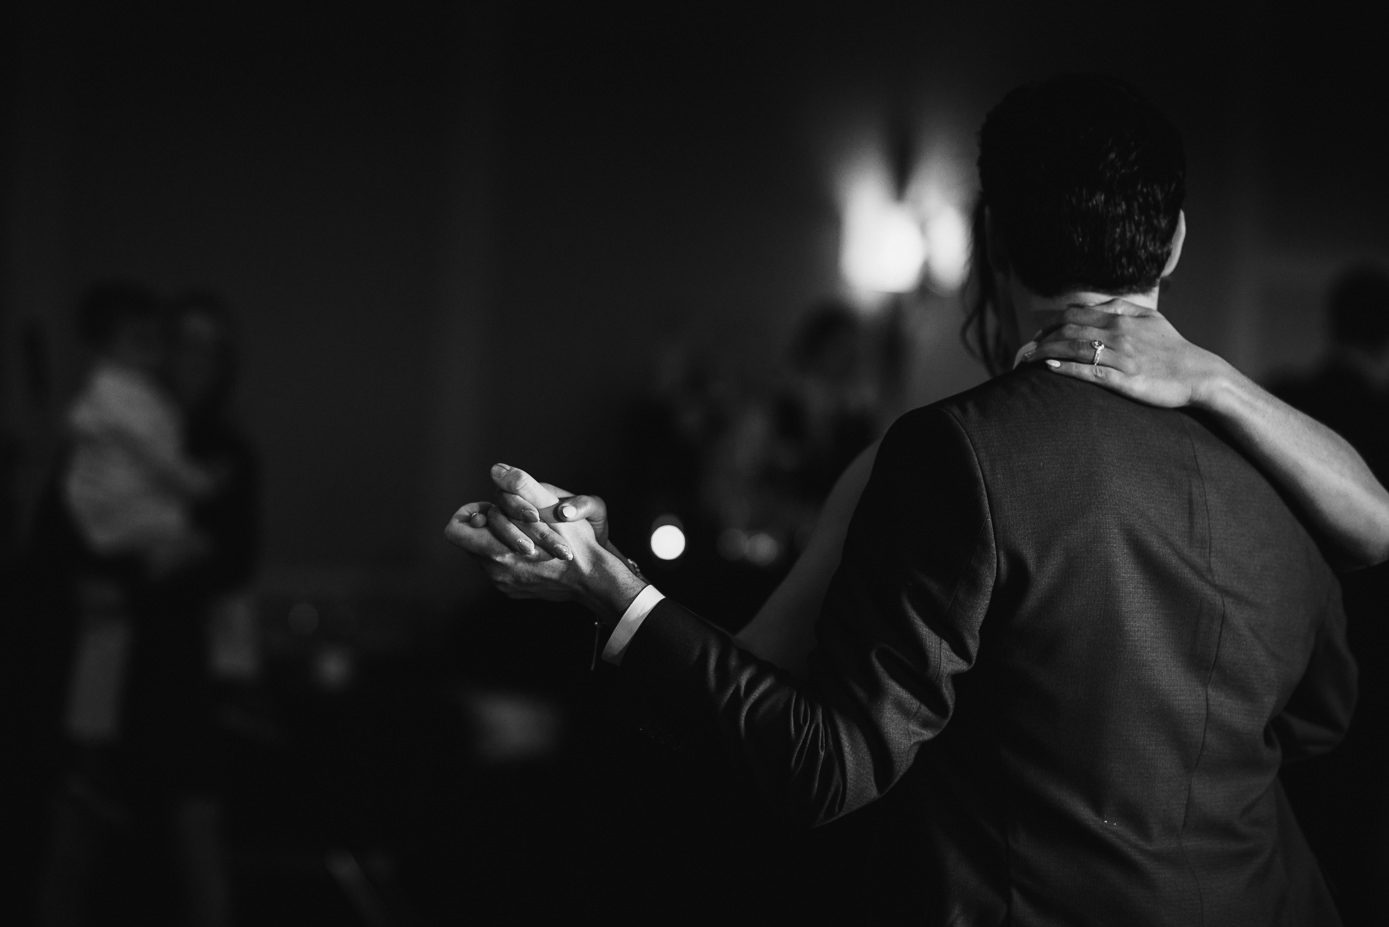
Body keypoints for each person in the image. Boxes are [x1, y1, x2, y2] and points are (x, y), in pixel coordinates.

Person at [447, 74, 1381, 924]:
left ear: (993, 238)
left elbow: (820, 764)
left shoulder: (959, 454)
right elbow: (1320, 717)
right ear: (1174, 240)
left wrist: (606, 585)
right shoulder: (1283, 461)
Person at [1269, 263, 1389, 925]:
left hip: (1277, 662)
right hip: (1370, 674)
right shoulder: (1379, 420)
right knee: (1355, 858)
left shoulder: (1283, 403)